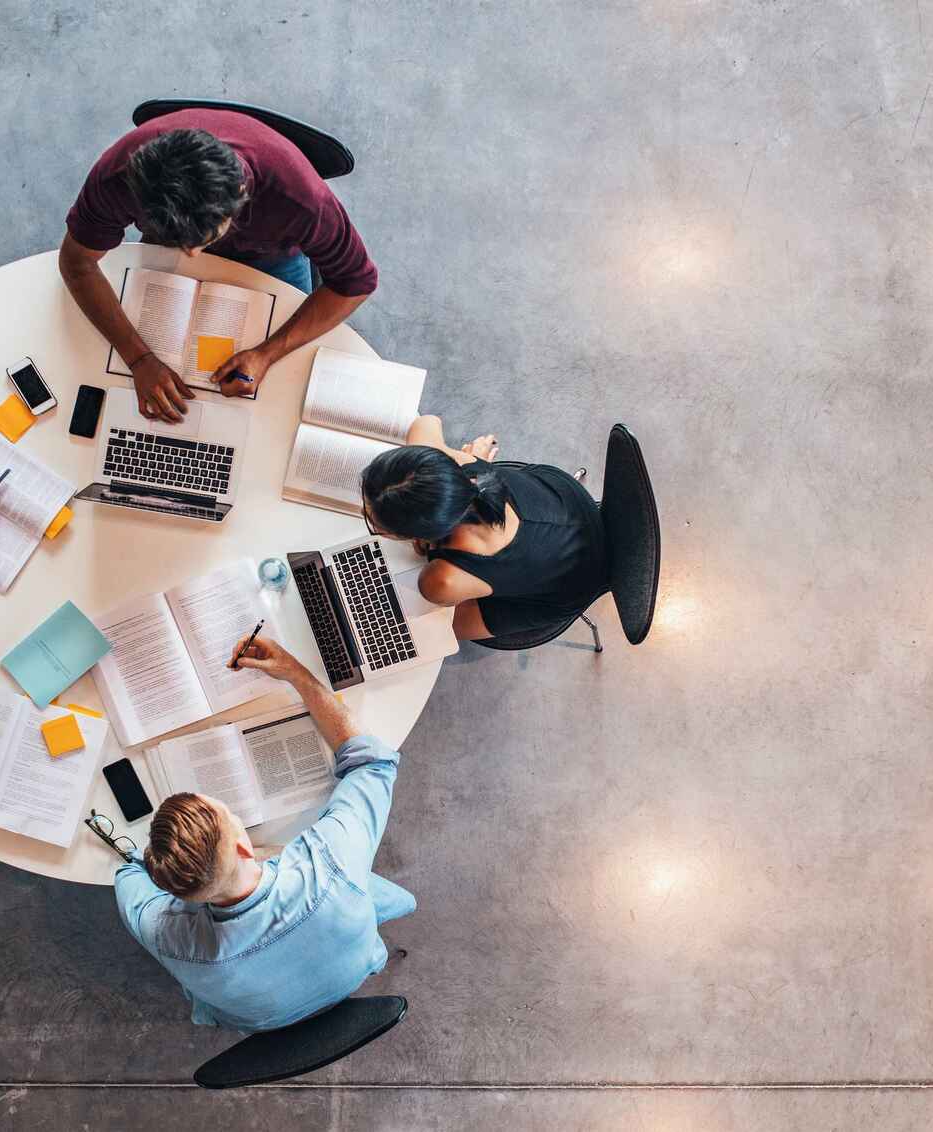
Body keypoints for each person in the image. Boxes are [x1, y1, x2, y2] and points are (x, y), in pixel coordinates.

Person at [114, 635, 414, 1032]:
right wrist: (296, 673)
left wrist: (151, 860)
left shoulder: (169, 937)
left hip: (261, 1021)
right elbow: (372, 764)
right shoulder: (330, 864)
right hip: (353, 969)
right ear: (243, 845)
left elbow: (128, 878)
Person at [59, 109, 378, 423]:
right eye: (181, 242)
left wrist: (267, 354)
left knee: (280, 391)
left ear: (241, 194)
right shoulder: (118, 175)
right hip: (174, 244)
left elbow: (355, 282)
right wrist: (139, 358)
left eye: (203, 239)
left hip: (273, 255)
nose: (192, 256)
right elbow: (77, 263)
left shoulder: (301, 200)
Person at [360, 415, 609, 641]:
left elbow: (441, 594)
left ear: (417, 535)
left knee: (432, 632)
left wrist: (430, 550)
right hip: (568, 504)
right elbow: (426, 423)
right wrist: (468, 459)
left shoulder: (440, 580)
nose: (363, 513)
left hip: (572, 586)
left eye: (376, 525)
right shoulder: (460, 464)